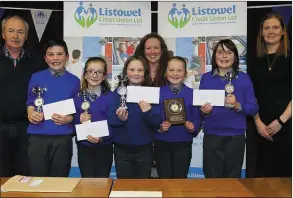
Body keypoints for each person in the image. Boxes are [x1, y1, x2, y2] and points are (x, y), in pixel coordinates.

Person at [199, 39, 258, 178]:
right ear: (214, 56)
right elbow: (199, 110)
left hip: (235, 137)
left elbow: (253, 108)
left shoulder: (244, 78)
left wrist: (238, 105)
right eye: (220, 52)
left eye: (229, 52)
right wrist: (204, 112)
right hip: (211, 136)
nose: (224, 56)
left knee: (233, 179)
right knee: (212, 178)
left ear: (235, 56)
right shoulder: (206, 78)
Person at [0, 15, 46, 177]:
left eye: (20, 32)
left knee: (25, 175)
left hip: (27, 128)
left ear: (26, 36)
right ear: (3, 34)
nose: (15, 36)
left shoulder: (37, 61)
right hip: (1, 126)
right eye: (11, 31)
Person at [26, 39, 80, 177]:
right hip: (38, 136)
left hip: (62, 137)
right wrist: (31, 114)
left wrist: (70, 118)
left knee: (59, 180)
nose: (55, 58)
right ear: (45, 58)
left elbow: (77, 109)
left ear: (67, 57)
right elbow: (31, 102)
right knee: (37, 180)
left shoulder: (75, 81)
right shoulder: (36, 77)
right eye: (50, 54)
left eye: (59, 54)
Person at [248, 12, 291, 177]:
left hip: (287, 124)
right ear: (261, 32)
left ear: (282, 32)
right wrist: (258, 122)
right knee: (262, 176)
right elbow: (250, 93)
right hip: (260, 127)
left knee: (285, 176)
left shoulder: (289, 57)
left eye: (275, 27)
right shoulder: (255, 59)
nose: (270, 31)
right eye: (266, 28)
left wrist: (281, 121)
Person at [107, 55, 160, 179]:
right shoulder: (118, 93)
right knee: (124, 186)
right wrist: (120, 119)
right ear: (126, 72)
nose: (136, 73)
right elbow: (111, 120)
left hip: (144, 149)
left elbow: (157, 123)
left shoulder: (151, 93)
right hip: (122, 149)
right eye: (132, 70)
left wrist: (148, 112)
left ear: (145, 72)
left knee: (142, 186)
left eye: (140, 70)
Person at [154, 56, 201, 178]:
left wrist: (193, 127)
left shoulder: (193, 94)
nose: (175, 74)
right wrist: (159, 127)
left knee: (180, 180)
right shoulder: (156, 93)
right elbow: (152, 117)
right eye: (171, 70)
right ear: (165, 72)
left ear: (185, 73)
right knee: (164, 179)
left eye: (179, 70)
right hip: (162, 143)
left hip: (183, 143)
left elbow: (198, 117)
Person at [73, 57, 113, 178]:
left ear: (104, 76)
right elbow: (70, 124)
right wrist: (78, 120)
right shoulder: (77, 97)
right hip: (84, 147)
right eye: (90, 71)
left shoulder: (111, 97)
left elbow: (115, 124)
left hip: (104, 147)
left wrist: (102, 138)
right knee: (87, 183)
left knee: (102, 183)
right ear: (85, 74)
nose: (94, 75)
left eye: (99, 72)